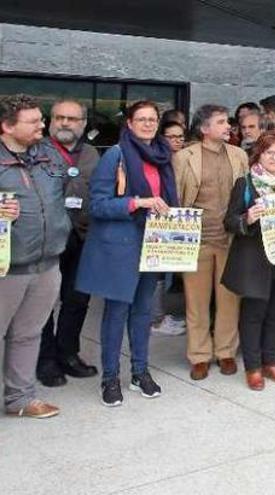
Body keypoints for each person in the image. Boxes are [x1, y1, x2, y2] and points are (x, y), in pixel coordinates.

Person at [77, 100, 178, 407]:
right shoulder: (116, 155)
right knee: (116, 313)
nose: (148, 124)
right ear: (130, 124)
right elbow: (97, 205)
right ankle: (110, 377)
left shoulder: (163, 155)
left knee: (143, 312)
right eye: (142, 119)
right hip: (121, 246)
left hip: (154, 242)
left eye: (153, 119)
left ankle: (139, 371)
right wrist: (137, 202)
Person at [220, 133, 275, 391]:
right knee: (253, 314)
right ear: (259, 154)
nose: (274, 158)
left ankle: (271, 360)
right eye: (269, 152)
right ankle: (253, 366)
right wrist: (247, 218)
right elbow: (229, 221)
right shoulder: (246, 183)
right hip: (254, 260)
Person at [0, 94, 69, 419]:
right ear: (7, 126)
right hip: (7, 267)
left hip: (48, 262)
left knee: (28, 333)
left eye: (41, 119)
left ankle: (20, 400)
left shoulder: (49, 155)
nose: (42, 125)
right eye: (33, 121)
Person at [174, 104, 248, 381]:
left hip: (230, 238)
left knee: (230, 299)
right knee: (196, 301)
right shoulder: (184, 158)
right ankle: (199, 355)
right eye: (220, 122)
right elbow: (177, 198)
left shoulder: (239, 155)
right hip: (197, 239)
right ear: (204, 128)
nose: (227, 126)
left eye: (227, 121)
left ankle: (226, 351)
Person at [37, 99, 100, 387]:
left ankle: (68, 354)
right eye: (59, 117)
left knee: (77, 300)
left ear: (83, 123)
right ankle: (45, 358)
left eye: (72, 119)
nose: (65, 123)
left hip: (83, 238)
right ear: (51, 120)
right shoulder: (37, 150)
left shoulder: (91, 154)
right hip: (46, 239)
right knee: (43, 302)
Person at [149, 120, 189, 338]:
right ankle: (155, 318)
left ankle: (160, 314)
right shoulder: (157, 159)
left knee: (168, 271)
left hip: (180, 220)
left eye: (180, 137)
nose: (177, 141)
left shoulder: (185, 159)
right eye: (171, 137)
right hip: (158, 221)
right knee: (155, 272)